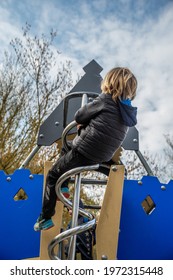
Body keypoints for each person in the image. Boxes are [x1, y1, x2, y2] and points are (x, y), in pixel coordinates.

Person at [34, 67, 138, 231]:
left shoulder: (105, 99)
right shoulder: (128, 114)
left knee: (53, 175)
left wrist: (84, 122)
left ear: (108, 83)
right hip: (102, 156)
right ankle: (64, 185)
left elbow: (79, 116)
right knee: (67, 149)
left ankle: (45, 217)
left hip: (85, 149)